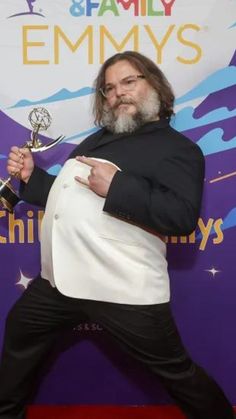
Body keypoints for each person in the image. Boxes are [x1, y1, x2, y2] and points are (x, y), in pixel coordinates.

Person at [0, 51, 234, 419]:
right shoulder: (96, 141)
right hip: (59, 282)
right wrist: (32, 178)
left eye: (129, 82)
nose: (117, 93)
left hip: (120, 286)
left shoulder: (179, 150)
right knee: (20, 332)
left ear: (154, 85)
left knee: (175, 372)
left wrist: (118, 186)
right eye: (109, 88)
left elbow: (182, 217)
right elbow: (68, 198)